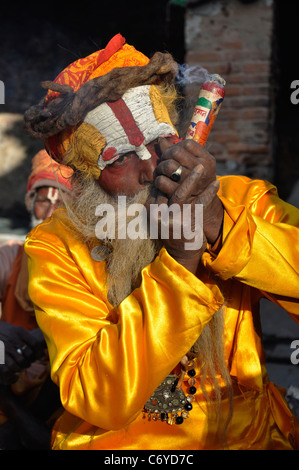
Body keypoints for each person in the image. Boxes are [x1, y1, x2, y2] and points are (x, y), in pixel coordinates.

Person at [23, 33, 299, 450]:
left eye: (159, 139)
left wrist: (219, 225)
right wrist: (180, 267)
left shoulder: (240, 200)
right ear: (85, 177)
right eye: (118, 158)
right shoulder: (57, 245)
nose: (152, 167)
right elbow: (96, 395)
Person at [0, 149, 73, 449]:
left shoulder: (86, 266)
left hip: (64, 399)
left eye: (62, 203)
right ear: (32, 204)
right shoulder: (10, 256)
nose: (50, 212)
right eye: (44, 200)